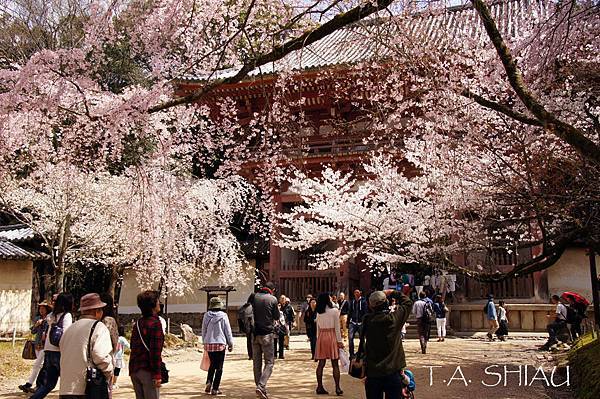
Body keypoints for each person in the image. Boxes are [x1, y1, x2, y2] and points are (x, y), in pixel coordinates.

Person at [358, 287, 412, 399]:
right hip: (392, 370)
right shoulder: (394, 319)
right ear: (387, 302)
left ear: (370, 306)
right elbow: (407, 303)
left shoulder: (367, 320)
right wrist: (392, 292)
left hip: (373, 372)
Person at [59, 293, 114, 398]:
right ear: (97, 311)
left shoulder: (70, 328)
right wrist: (109, 371)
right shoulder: (99, 327)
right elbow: (100, 355)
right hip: (87, 388)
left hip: (66, 388)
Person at [30, 292, 73, 399]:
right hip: (59, 353)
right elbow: (66, 335)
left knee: (48, 384)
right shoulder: (67, 316)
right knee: (67, 382)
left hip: (48, 351)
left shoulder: (51, 315)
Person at [129, 290, 165, 399]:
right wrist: (157, 374)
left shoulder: (138, 323)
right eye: (158, 301)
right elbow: (155, 351)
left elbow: (132, 346)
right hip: (148, 370)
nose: (160, 303)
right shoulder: (155, 323)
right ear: (153, 305)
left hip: (135, 368)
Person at [252, 282, 280, 399]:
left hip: (254, 334)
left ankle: (259, 386)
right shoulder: (272, 299)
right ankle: (261, 386)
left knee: (256, 363)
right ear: (272, 289)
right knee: (269, 362)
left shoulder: (254, 297)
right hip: (267, 334)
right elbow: (277, 316)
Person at [202, 297, 234, 396]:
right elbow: (227, 331)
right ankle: (215, 388)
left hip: (209, 344)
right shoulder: (223, 316)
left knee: (212, 364)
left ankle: (209, 382)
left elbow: (204, 330)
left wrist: (204, 342)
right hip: (220, 344)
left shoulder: (206, 315)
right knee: (219, 367)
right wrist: (230, 343)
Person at [19, 300, 52, 394]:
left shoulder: (50, 318)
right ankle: (39, 385)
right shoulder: (38, 318)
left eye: (43, 308)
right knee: (40, 366)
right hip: (37, 345)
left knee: (37, 365)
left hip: (46, 345)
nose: (41, 310)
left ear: (47, 309)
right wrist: (37, 324)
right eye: (40, 308)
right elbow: (33, 332)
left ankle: (30, 384)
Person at [314, 293, 344, 396]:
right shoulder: (335, 311)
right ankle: (337, 388)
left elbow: (317, 329)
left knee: (321, 364)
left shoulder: (319, 312)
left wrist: (318, 341)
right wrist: (340, 341)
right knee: (335, 364)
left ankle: (319, 386)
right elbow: (337, 328)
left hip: (322, 336)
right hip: (332, 336)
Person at [347, 289, 368, 358]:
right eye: (355, 292)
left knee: (362, 339)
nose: (356, 293)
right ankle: (351, 354)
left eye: (357, 292)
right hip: (352, 322)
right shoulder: (352, 301)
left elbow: (365, 312)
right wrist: (348, 322)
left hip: (361, 323)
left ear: (360, 293)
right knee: (350, 338)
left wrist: (364, 322)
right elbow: (350, 312)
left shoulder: (364, 301)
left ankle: (363, 353)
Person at [238, 294, 255, 360]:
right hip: (253, 326)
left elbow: (239, 316)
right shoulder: (254, 306)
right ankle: (253, 355)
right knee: (253, 340)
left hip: (246, 326)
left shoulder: (244, 307)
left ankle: (250, 355)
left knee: (249, 340)